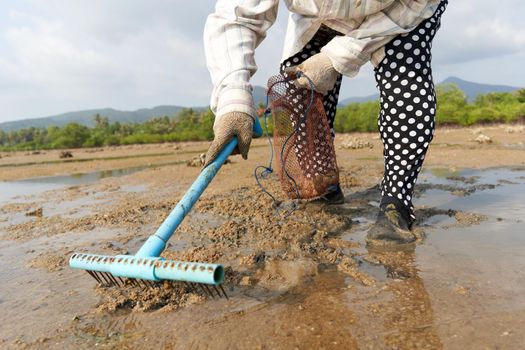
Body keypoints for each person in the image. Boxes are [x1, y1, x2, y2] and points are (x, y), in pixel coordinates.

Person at [203, 0, 448, 245]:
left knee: (405, 82)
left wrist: (337, 58)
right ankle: (323, 188)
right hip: (320, 16)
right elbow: (237, 17)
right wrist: (232, 100)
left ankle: (396, 203)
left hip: (403, 10)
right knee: (295, 85)